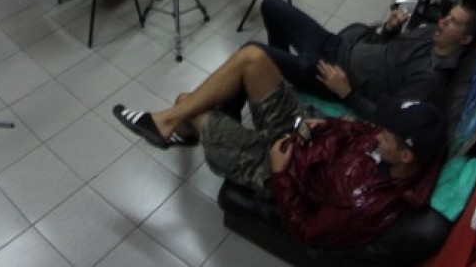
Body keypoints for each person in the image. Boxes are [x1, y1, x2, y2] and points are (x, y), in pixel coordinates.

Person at [112, 43, 446, 247]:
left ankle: (173, 125)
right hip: (304, 131)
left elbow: (307, 232)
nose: (379, 132)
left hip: (278, 166)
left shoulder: (364, 203)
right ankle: (172, 125)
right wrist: (329, 124)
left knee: (187, 100)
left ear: (406, 154)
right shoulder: (406, 148)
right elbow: (363, 130)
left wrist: (280, 173)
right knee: (253, 57)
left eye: (387, 134)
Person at [257, 0, 476, 122]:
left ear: (465, 39)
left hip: (330, 76)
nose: (442, 21)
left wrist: (347, 93)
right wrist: (390, 29)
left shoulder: (430, 79)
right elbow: (387, 46)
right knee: (271, 5)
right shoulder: (430, 33)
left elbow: (389, 117)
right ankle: (278, 81)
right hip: (337, 45)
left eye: (453, 22)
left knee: (255, 53)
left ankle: (276, 75)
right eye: (447, 16)